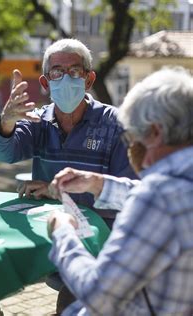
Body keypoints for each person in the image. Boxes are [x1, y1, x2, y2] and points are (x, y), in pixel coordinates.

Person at [47, 67, 193, 315]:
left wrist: (63, 233)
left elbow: (98, 295)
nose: (133, 149)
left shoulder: (159, 196)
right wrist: (98, 183)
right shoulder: (178, 184)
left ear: (155, 132)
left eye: (133, 138)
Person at [0, 38, 136, 222]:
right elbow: (1, 154)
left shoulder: (117, 124)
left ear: (88, 80)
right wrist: (6, 120)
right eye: (57, 72)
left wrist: (57, 192)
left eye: (75, 71)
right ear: (45, 83)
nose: (66, 78)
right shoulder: (37, 120)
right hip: (49, 229)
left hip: (99, 236)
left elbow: (129, 197)